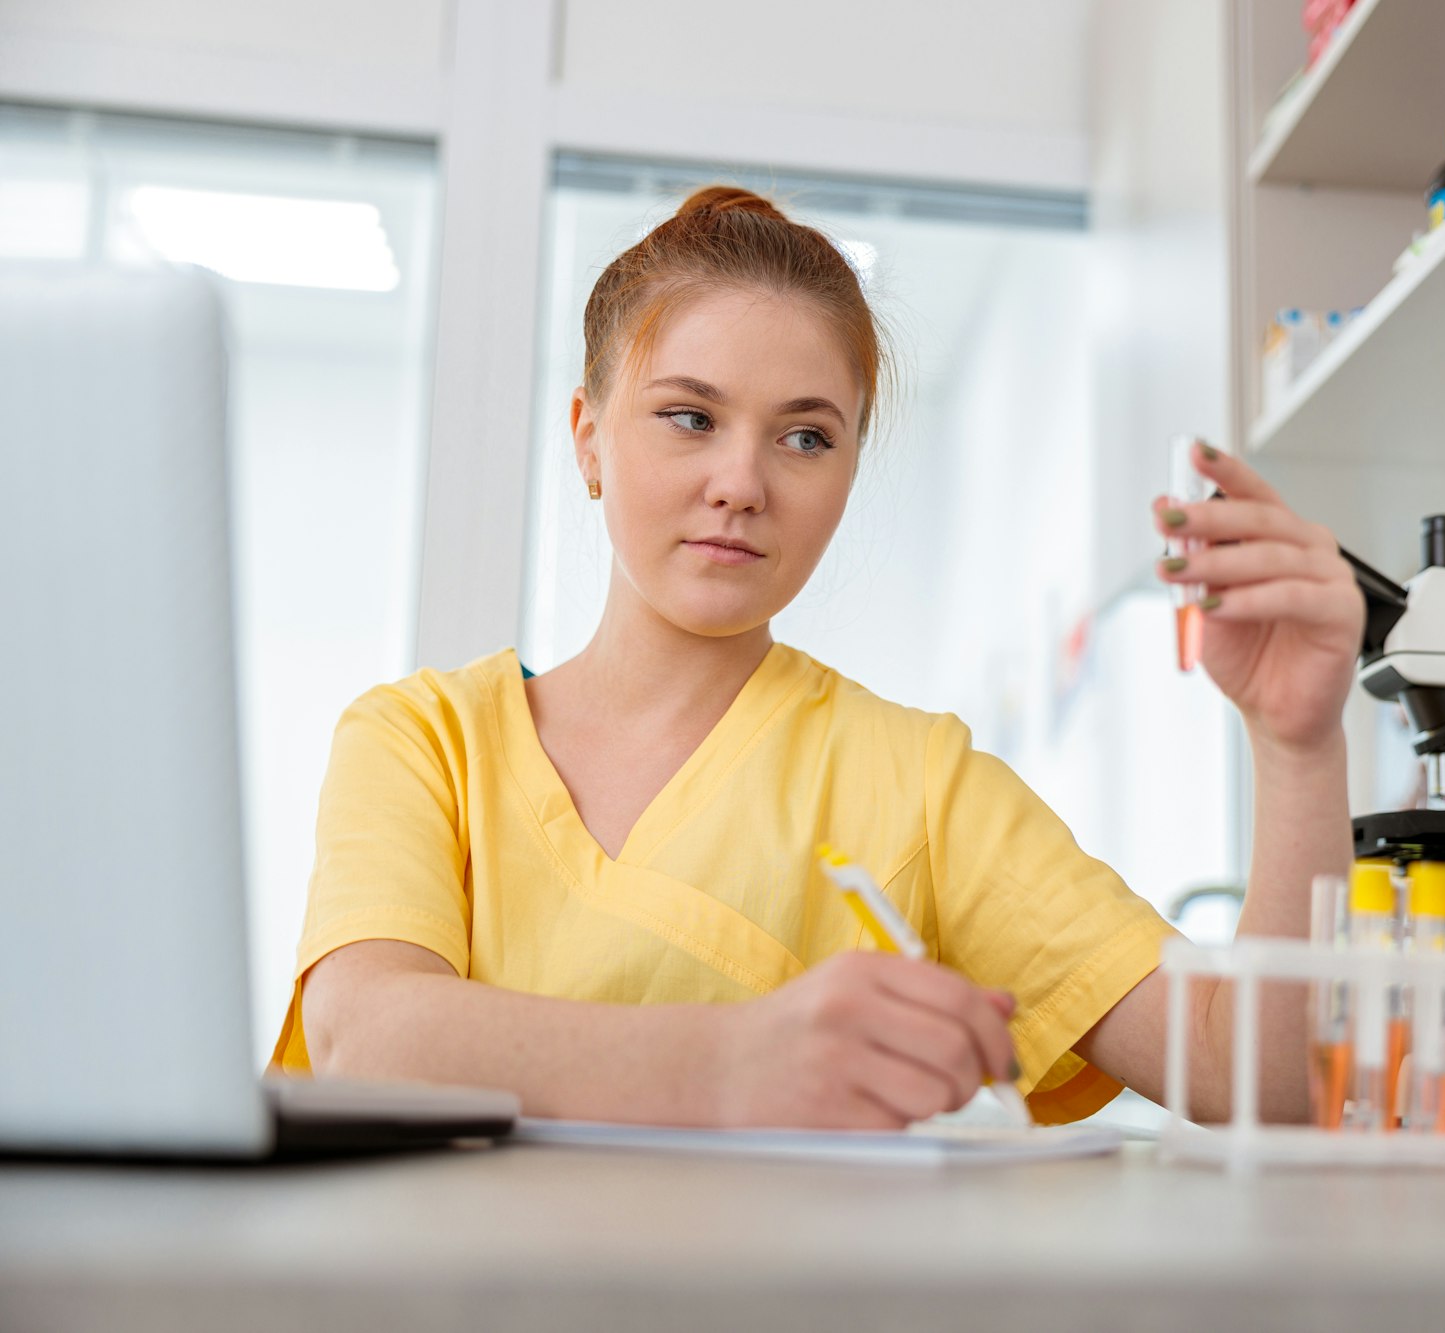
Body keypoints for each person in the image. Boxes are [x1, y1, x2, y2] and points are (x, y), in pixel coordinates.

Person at [272, 186, 1364, 1129]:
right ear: (588, 436)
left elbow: (1250, 1076)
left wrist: (1298, 745)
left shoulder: (919, 785)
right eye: (688, 417)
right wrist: (738, 1062)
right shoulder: (422, 740)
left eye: (806, 436)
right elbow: (371, 1036)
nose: (743, 482)